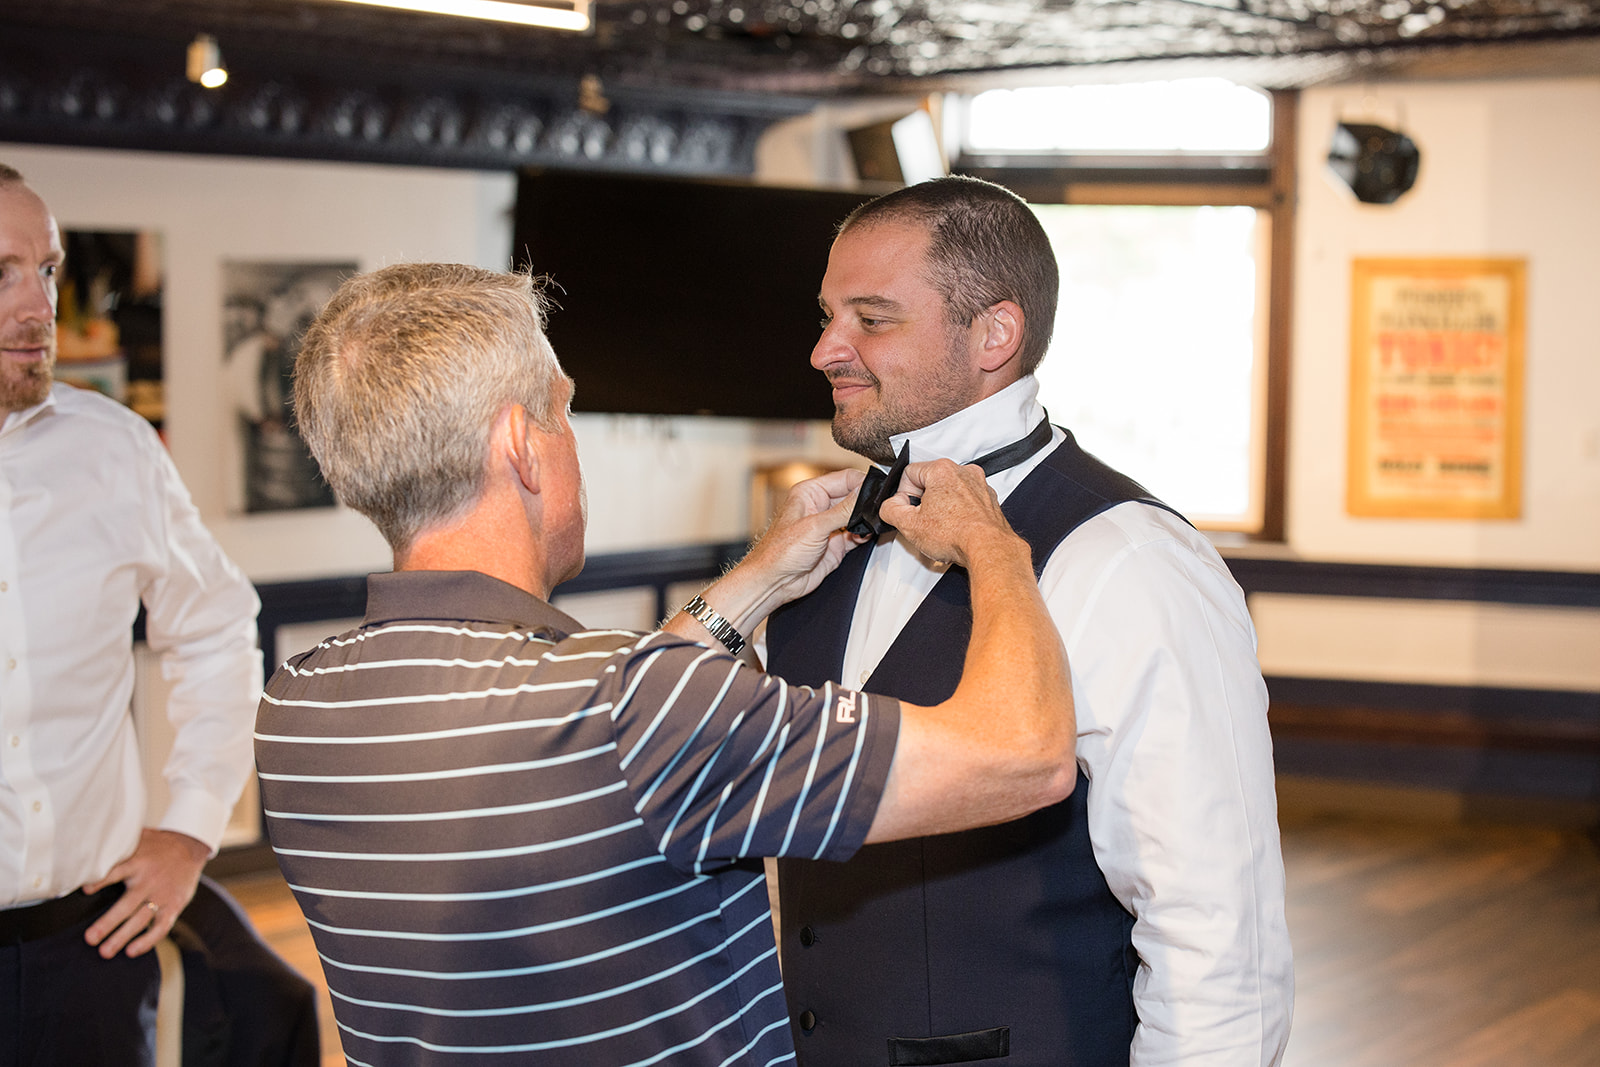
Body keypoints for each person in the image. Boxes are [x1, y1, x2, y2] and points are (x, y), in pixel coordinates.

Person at [255, 260, 1078, 1066]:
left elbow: (590, 748)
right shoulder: (634, 708)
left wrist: (755, 582)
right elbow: (1023, 756)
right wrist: (992, 543)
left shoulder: (296, 707)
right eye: (561, 414)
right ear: (522, 447)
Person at [764, 175, 1294, 1066]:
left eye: (872, 318)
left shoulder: (1129, 560)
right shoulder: (818, 537)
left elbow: (1215, 933)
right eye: (827, 314)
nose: (825, 349)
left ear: (995, 334)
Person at [0, 164, 317, 1066]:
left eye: (49, 270)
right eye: (2, 274)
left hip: (92, 951)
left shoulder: (115, 450)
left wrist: (189, 826)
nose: (37, 307)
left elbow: (217, 627)